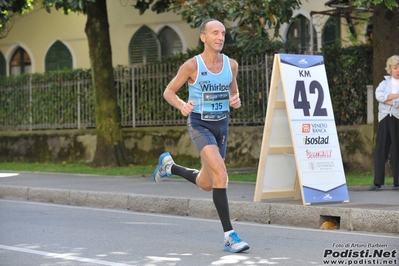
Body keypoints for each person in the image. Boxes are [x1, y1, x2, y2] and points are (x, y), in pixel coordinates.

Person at [153, 18, 249, 253]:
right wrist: (181, 105)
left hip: (221, 126)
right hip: (199, 124)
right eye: (215, 33)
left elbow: (233, 93)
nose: (220, 37)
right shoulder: (192, 66)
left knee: (208, 182)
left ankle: (170, 168)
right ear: (203, 37)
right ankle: (229, 236)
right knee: (221, 173)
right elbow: (169, 91)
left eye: (223, 33)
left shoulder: (231, 65)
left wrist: (235, 100)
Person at [369, 55, 399, 191]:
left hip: (397, 118)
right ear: (390, 69)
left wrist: (388, 99)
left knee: (397, 149)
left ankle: (397, 182)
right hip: (384, 117)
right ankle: (377, 182)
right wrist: (395, 97)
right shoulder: (384, 83)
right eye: (395, 68)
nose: (397, 70)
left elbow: (385, 99)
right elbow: (378, 95)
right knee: (381, 148)